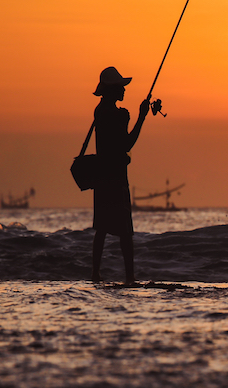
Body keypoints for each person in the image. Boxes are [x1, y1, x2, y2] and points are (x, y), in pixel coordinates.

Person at [91, 66, 150, 284]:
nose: (124, 90)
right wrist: (142, 116)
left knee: (102, 228)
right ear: (112, 89)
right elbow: (127, 143)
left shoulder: (99, 111)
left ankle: (95, 274)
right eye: (120, 87)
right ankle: (130, 277)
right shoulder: (119, 115)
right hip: (116, 178)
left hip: (102, 177)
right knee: (125, 232)